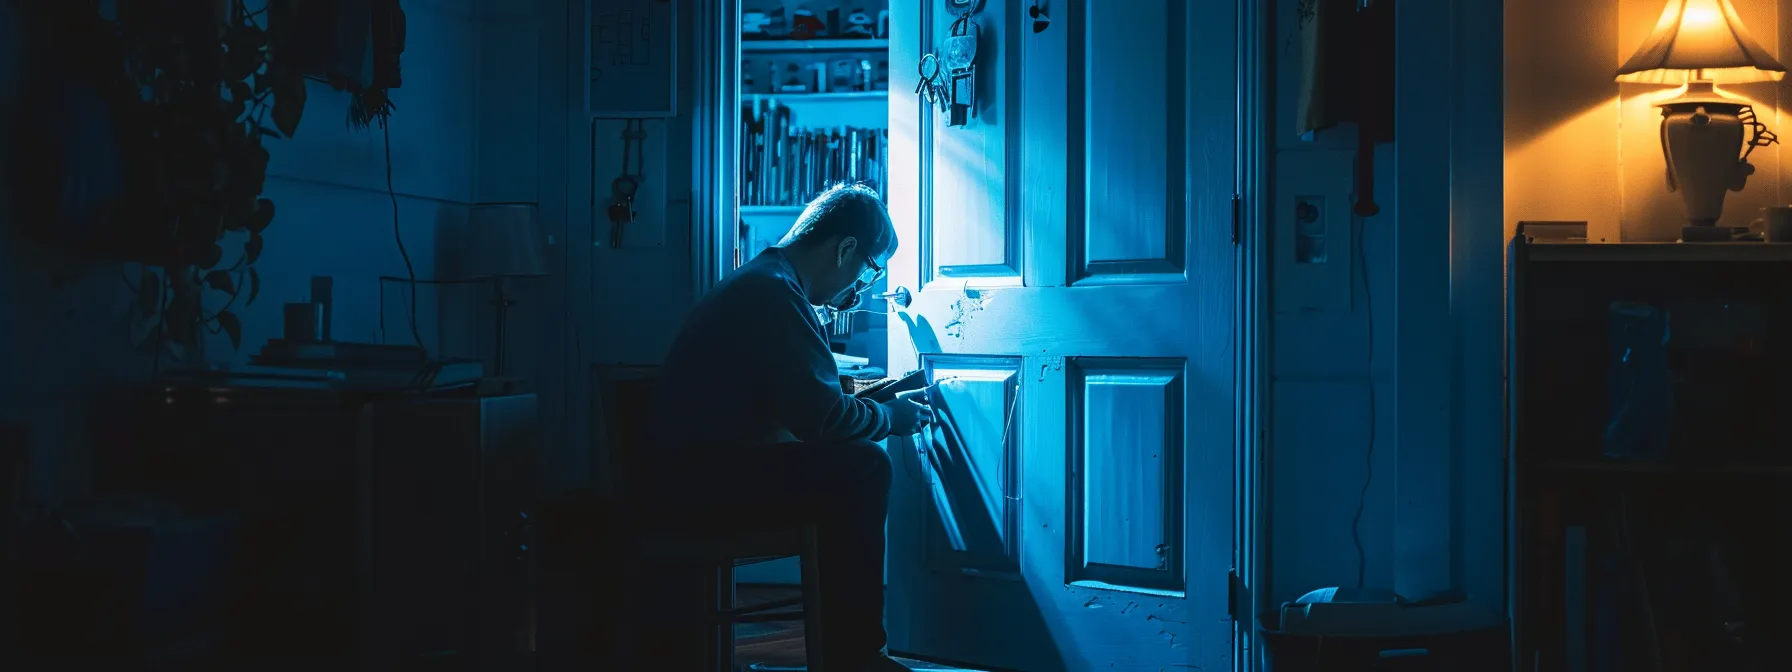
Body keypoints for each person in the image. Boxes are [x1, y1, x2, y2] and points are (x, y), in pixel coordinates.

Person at [645, 183, 931, 672]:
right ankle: (856, 656)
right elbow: (825, 420)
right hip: (698, 485)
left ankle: (848, 648)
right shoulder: (775, 294)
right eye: (867, 273)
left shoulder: (764, 279)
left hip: (691, 472)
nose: (857, 291)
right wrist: (891, 418)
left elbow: (803, 402)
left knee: (850, 462)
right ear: (844, 250)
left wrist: (860, 403)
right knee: (862, 466)